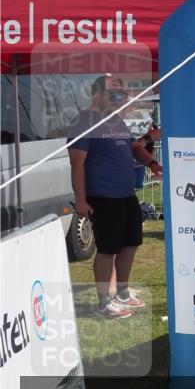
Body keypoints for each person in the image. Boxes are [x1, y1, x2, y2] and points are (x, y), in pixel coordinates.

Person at [68, 75, 160, 319]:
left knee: (130, 243)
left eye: (124, 94)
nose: (123, 99)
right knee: (108, 249)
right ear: (97, 94)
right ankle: (104, 302)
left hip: (126, 194)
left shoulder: (116, 120)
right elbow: (77, 164)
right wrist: (81, 200)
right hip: (103, 195)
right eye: (117, 94)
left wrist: (151, 163)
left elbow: (133, 147)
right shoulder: (83, 122)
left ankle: (122, 292)